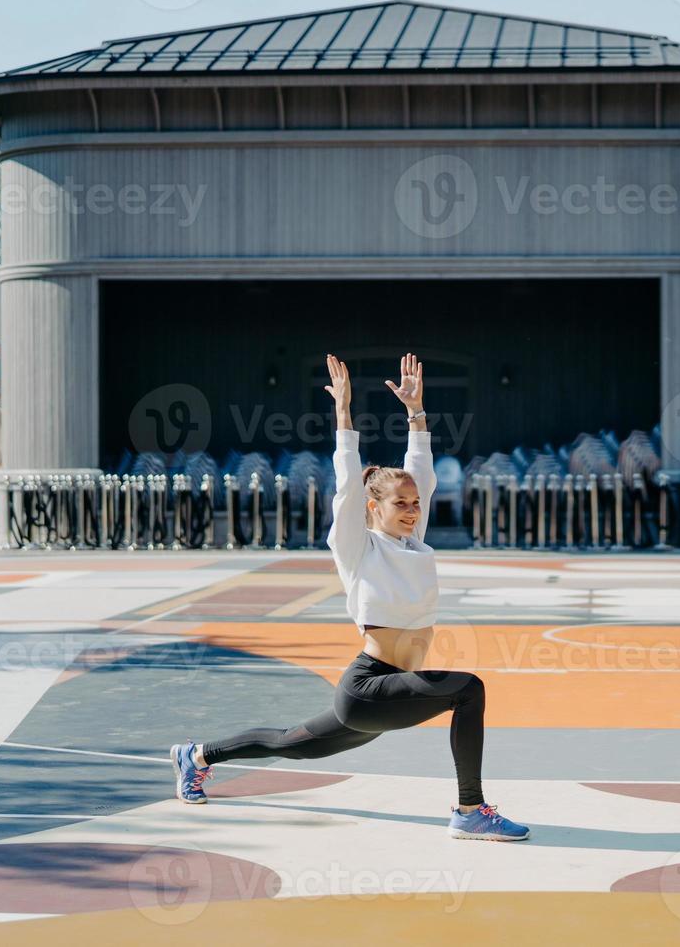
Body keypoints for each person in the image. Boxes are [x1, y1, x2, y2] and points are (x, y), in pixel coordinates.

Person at [170, 353, 529, 841]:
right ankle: (470, 810)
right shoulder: (356, 548)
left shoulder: (413, 543)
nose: (411, 510)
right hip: (369, 687)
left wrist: (417, 413)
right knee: (469, 690)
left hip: (383, 698)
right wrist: (343, 415)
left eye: (415, 504)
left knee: (289, 743)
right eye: (399, 504)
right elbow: (346, 484)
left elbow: (419, 471)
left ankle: (197, 754)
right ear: (373, 507)